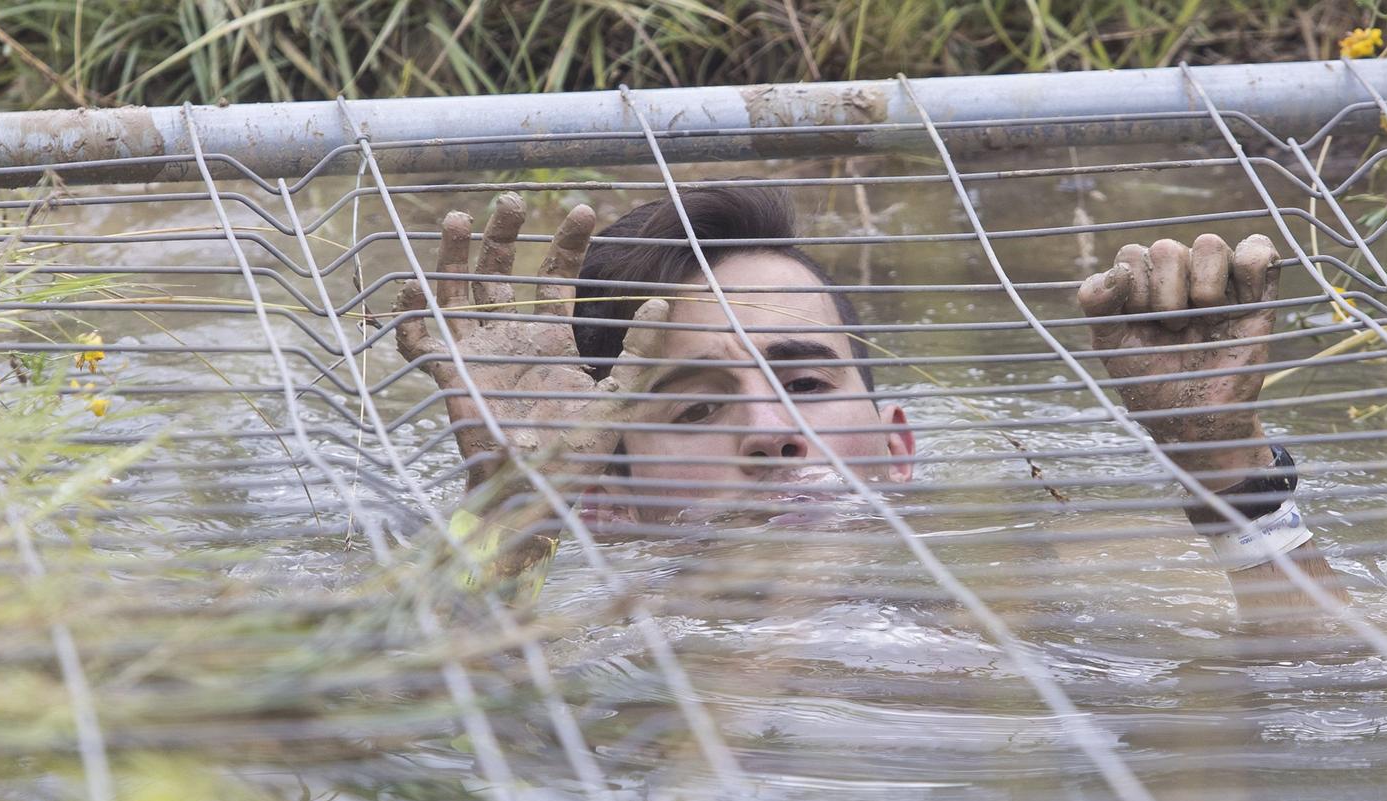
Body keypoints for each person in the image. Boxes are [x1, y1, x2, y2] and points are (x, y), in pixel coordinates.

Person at [393, 185, 1337, 616]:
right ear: (614, 494)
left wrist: (1224, 468)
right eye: (696, 407)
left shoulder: (1062, 587)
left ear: (899, 446)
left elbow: (1343, 701)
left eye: (805, 382)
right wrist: (518, 522)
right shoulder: (602, 657)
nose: (772, 434)